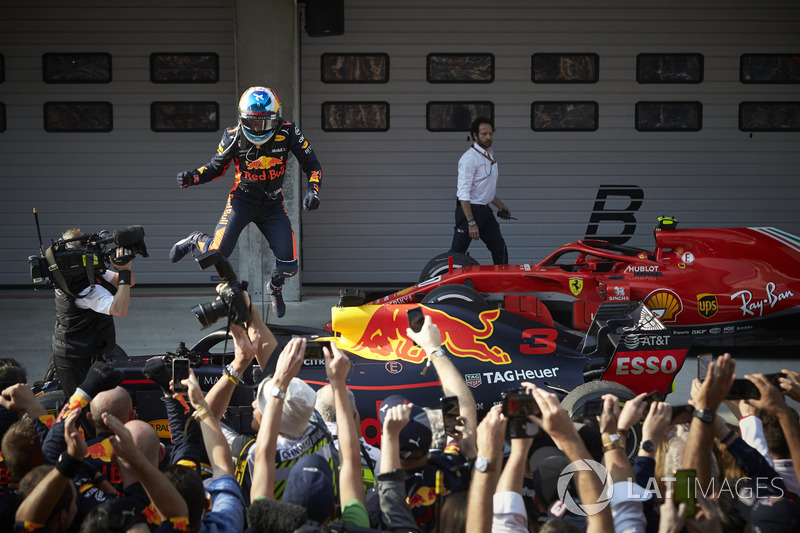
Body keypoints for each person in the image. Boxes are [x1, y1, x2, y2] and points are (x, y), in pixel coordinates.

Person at [170, 86, 323, 318]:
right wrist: (193, 176)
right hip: (241, 200)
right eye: (252, 122)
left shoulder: (289, 131)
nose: (258, 128)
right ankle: (195, 241)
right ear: (242, 118)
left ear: (276, 118)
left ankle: (274, 288)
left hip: (272, 204)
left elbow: (312, 164)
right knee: (218, 253)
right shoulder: (233, 135)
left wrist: (314, 190)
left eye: (264, 122)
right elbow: (215, 167)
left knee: (289, 266)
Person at [51, 226, 135, 398]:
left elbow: (129, 282)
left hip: (88, 350)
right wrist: (125, 270)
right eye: (86, 243)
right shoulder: (83, 288)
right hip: (75, 358)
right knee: (84, 411)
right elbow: (120, 309)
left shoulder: (87, 273)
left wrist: (121, 266)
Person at [447, 116, 510, 265]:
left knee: (500, 249)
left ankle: (501, 284)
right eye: (484, 134)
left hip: (485, 211)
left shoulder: (489, 154)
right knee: (456, 254)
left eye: (490, 134)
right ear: (475, 135)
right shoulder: (469, 158)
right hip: (469, 211)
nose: (488, 137)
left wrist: (499, 204)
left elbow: (483, 187)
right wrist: (471, 222)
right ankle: (445, 285)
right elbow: (463, 193)